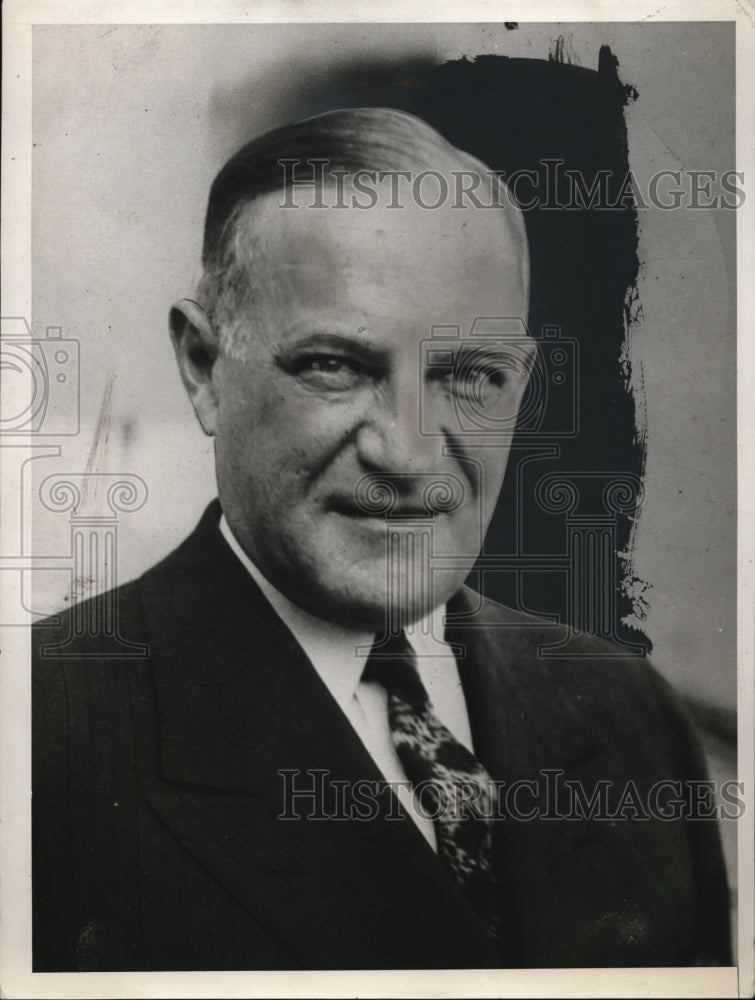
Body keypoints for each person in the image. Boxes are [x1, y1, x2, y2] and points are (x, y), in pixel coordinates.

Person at [32, 107, 731, 971]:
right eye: (335, 366)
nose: (407, 454)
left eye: (470, 375)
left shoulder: (629, 714)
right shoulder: (36, 740)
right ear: (204, 368)